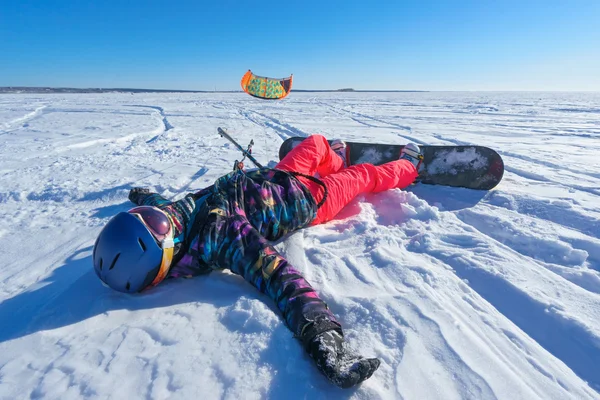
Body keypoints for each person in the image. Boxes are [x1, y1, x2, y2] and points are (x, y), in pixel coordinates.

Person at [93, 134, 422, 388]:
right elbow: (280, 277)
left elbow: (168, 206)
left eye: (148, 215)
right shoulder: (224, 237)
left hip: (279, 176)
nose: (165, 215)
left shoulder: (172, 219)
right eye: (158, 223)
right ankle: (409, 166)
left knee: (317, 142)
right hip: (312, 198)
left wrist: (145, 199)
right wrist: (322, 335)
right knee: (363, 175)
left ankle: (334, 157)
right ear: (166, 253)